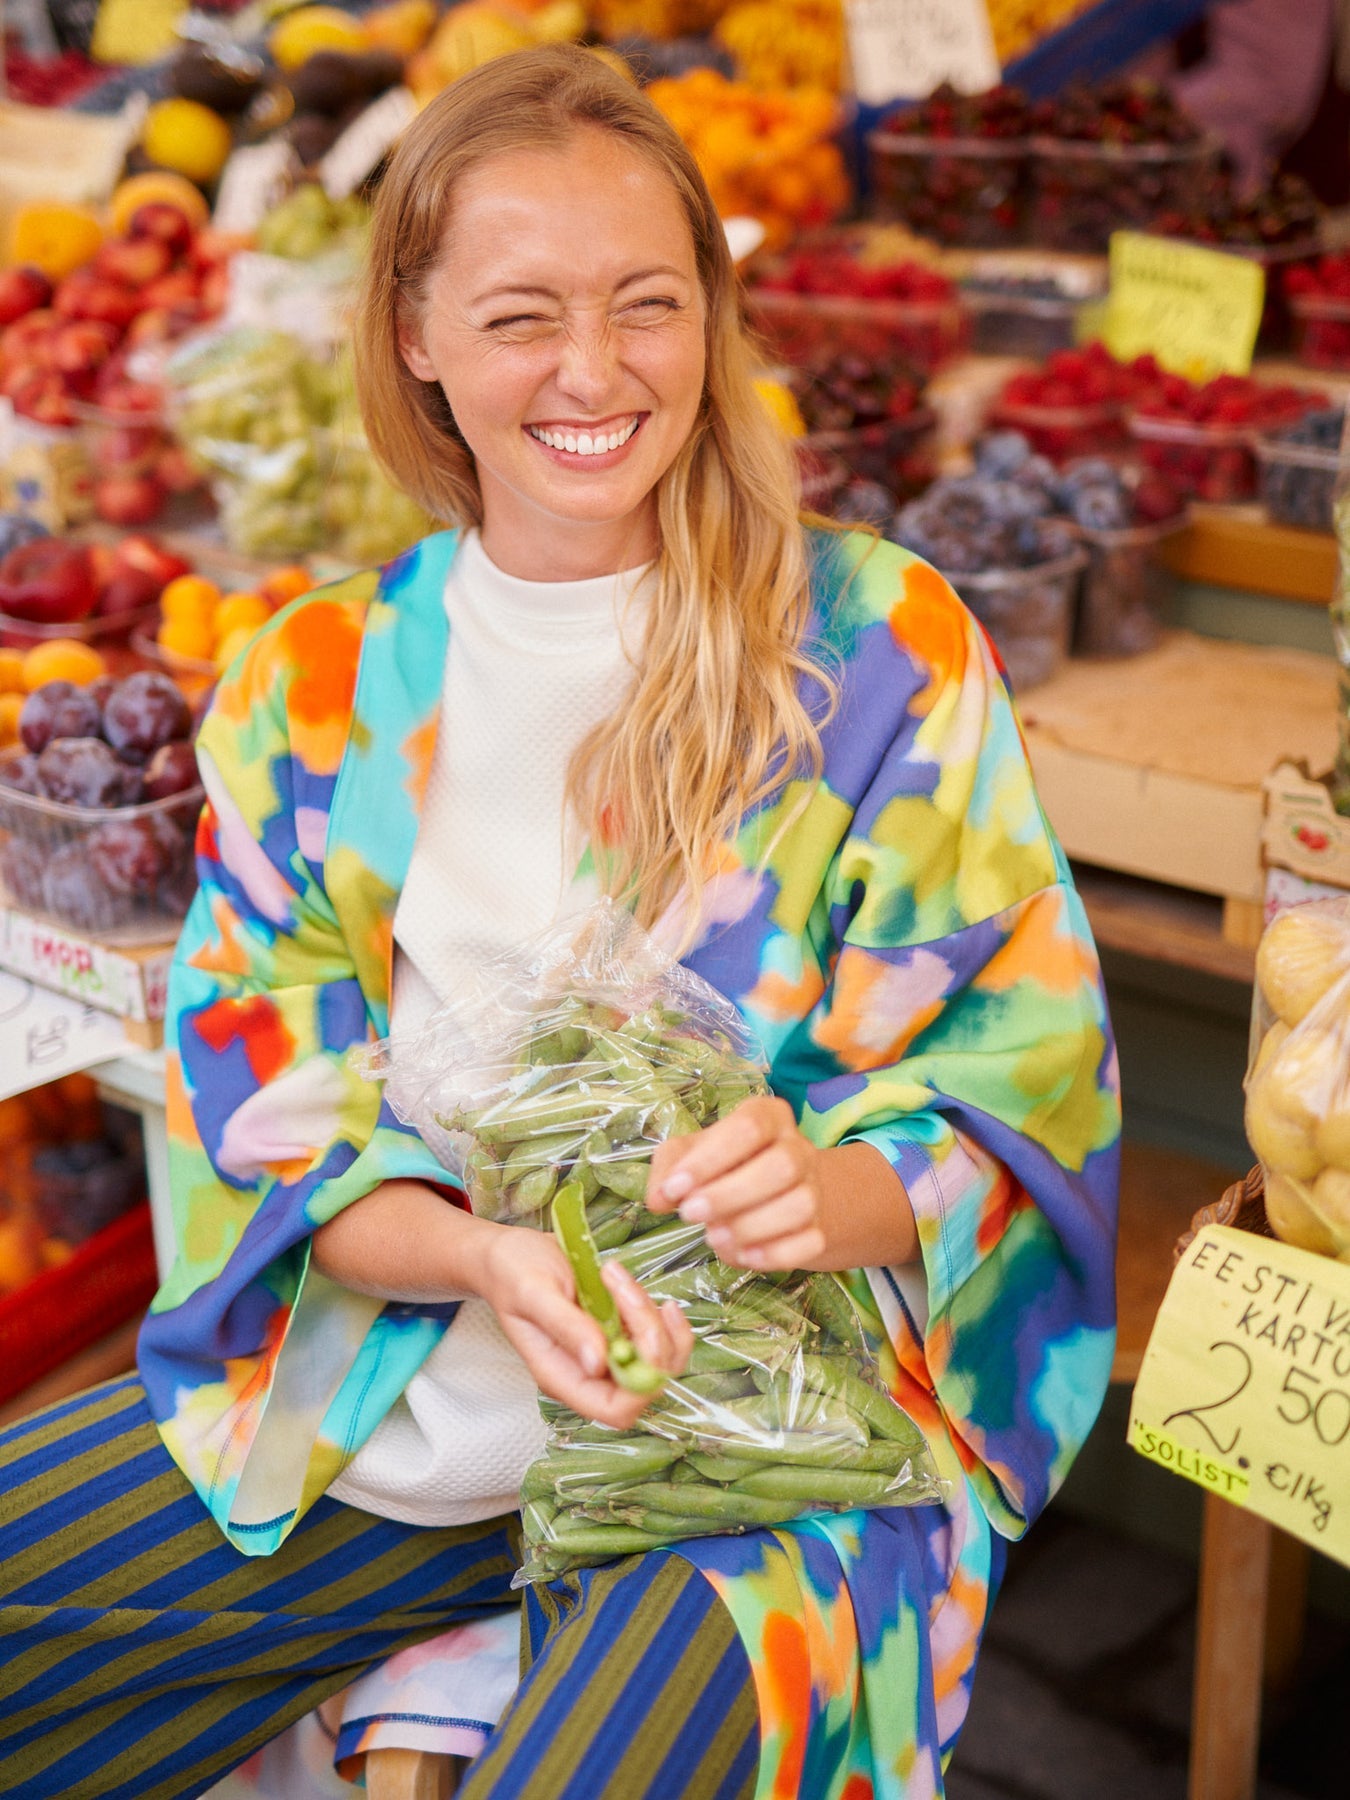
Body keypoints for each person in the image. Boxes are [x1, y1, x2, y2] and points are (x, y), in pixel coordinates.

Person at [0, 45, 1120, 1800]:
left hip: (765, 1446)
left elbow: (1019, 1072)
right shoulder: (311, 686)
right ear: (417, 340)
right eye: (520, 315)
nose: (592, 372)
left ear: (710, 319)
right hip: (386, 1401)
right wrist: (475, 1258)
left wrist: (814, 1187)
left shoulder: (871, 642)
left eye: (645, 305)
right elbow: (275, 1129)